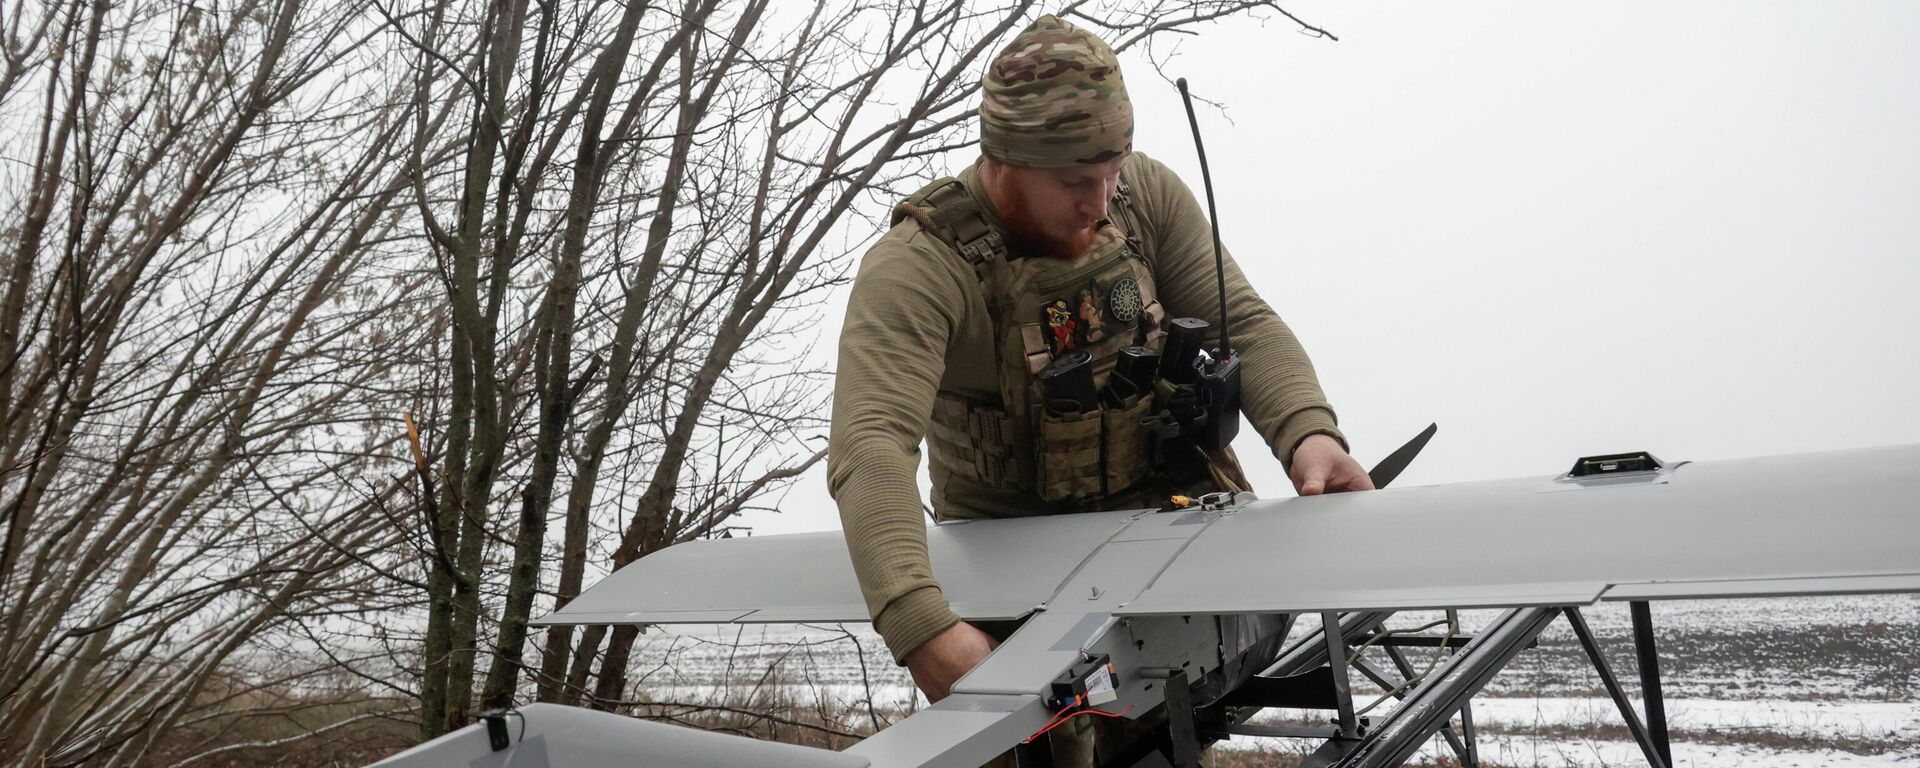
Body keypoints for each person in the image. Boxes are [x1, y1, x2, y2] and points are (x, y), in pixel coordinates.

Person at [827, 13, 1372, 761]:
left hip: (1168, 550)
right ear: (1004, 160)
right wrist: (922, 627)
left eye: (1112, 170)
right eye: (1075, 181)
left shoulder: (1141, 196)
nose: (1100, 199)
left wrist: (1310, 434)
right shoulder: (921, 266)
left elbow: (1239, 321)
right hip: (1023, 585)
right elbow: (872, 443)